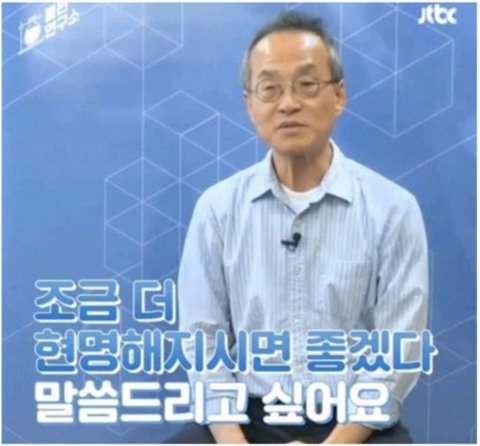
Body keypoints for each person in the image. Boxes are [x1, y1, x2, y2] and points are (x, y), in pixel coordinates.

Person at [170, 10, 428, 444]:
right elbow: (202, 344)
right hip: (247, 418)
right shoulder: (217, 210)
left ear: (339, 96)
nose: (288, 103)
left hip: (353, 423)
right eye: (270, 88)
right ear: (250, 105)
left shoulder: (393, 210)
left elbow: (398, 353)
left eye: (307, 85)